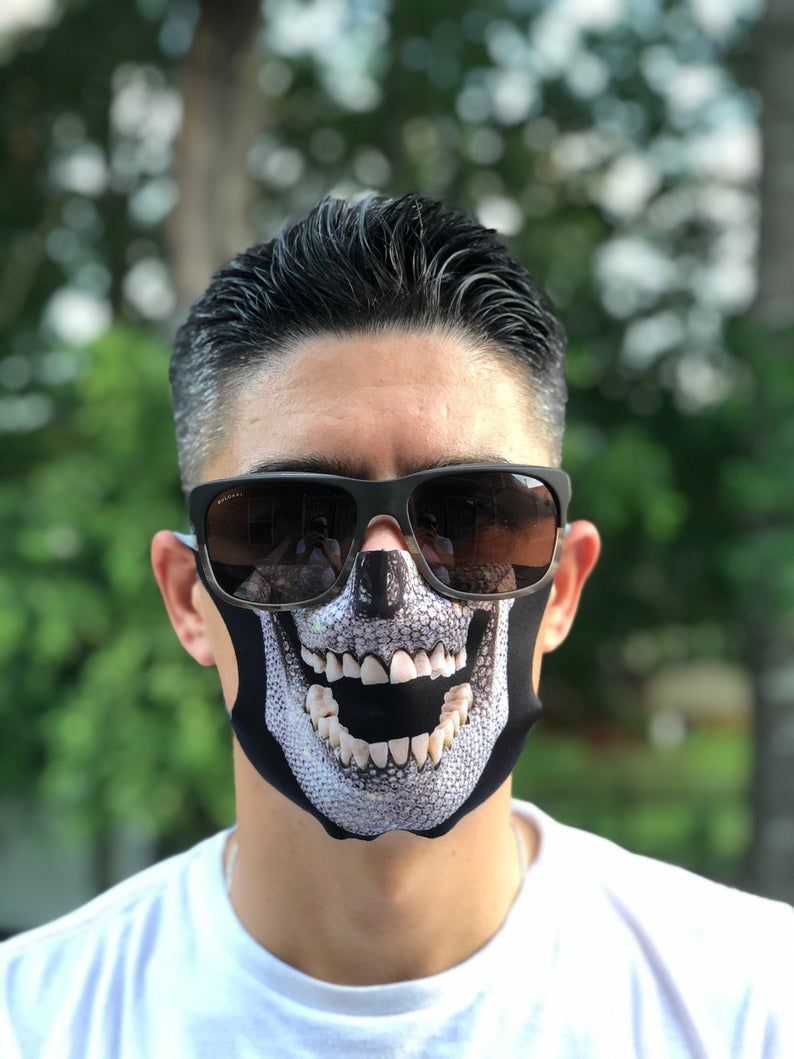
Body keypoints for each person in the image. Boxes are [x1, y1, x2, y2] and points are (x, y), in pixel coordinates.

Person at [1, 193, 791, 1058]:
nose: (387, 583)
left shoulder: (756, 1008)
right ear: (190, 597)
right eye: (288, 522)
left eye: (473, 515)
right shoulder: (31, 1023)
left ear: (562, 585)